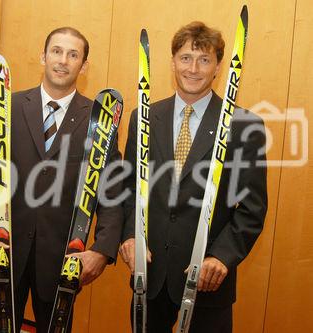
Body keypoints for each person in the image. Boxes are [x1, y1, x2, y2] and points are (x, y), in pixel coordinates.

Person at [0, 27, 123, 332]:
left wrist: (102, 249)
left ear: (84, 66)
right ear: (43, 56)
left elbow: (111, 191)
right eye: (57, 51)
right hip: (2, 256)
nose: (63, 60)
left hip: (62, 262)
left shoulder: (99, 120)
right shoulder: (6, 107)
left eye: (73, 54)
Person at [120, 21, 267, 332]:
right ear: (173, 61)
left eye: (204, 59)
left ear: (218, 66)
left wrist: (221, 257)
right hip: (150, 278)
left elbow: (253, 209)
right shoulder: (144, 117)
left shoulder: (243, 125)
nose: (194, 68)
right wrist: (131, 236)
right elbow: (128, 190)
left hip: (207, 282)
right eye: (186, 58)